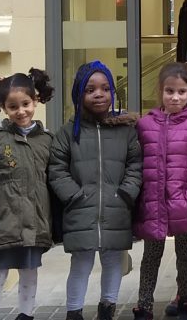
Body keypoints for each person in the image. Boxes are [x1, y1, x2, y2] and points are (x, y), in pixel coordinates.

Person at [49, 61, 142, 320]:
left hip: (116, 209)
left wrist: (126, 193)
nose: (98, 94)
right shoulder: (68, 133)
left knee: (113, 262)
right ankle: (74, 312)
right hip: (81, 209)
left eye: (105, 88)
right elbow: (57, 169)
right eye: (90, 90)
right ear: (79, 94)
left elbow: (135, 165)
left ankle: (107, 308)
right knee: (81, 264)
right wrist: (74, 196)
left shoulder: (126, 131)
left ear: (113, 92)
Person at [0, 69, 56, 320]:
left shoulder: (47, 140)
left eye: (25, 104)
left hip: (35, 221)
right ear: (3, 108)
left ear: (35, 101)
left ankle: (26, 315)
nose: (21, 111)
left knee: (29, 271)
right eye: (13, 106)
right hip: (2, 223)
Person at [134, 63, 187, 320]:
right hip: (153, 203)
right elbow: (137, 161)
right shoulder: (145, 124)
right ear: (160, 90)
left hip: (184, 203)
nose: (175, 97)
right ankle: (144, 305)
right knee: (150, 255)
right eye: (170, 91)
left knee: (186, 255)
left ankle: (186, 299)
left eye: (181, 91)